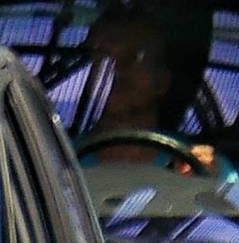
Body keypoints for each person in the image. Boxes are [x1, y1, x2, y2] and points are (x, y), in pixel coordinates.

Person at [78, 13, 217, 173]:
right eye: (102, 56)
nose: (115, 68)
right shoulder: (52, 162)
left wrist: (209, 183)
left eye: (132, 56)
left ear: (161, 82)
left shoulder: (204, 166)